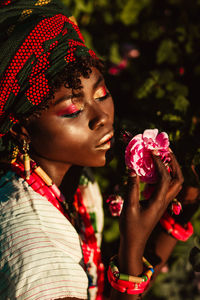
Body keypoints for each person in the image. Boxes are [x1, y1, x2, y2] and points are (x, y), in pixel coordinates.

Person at [0, 1, 194, 299]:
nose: (101, 117)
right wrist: (131, 246)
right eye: (72, 110)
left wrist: (182, 210)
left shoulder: (76, 186)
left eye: (101, 94)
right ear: (20, 128)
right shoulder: (35, 252)